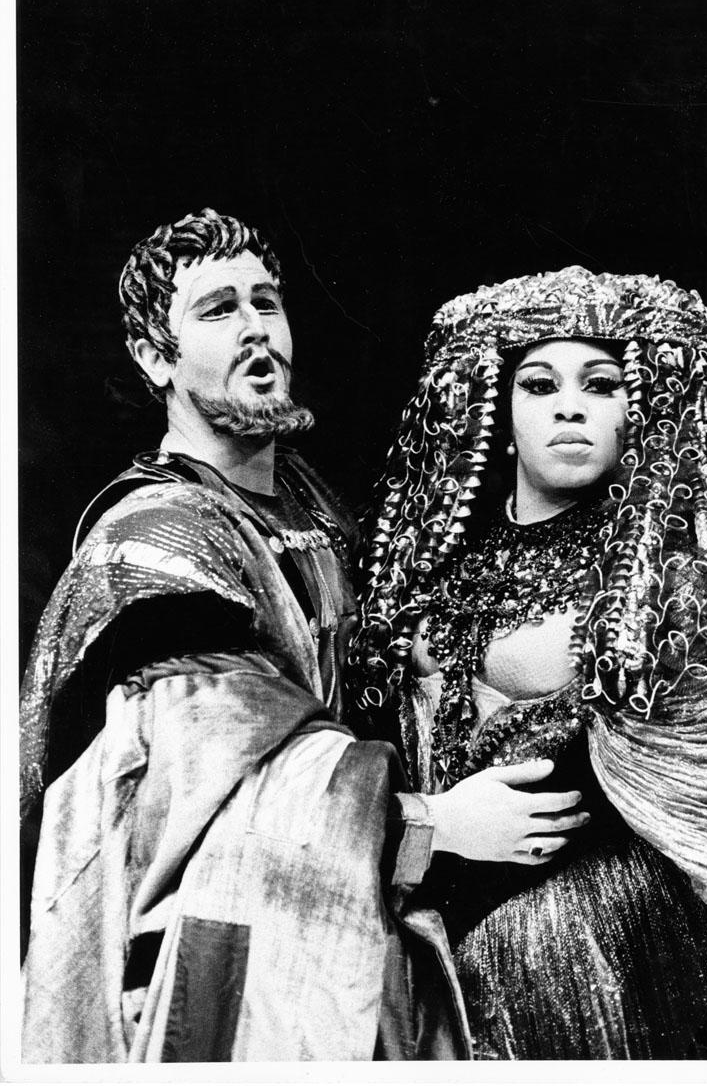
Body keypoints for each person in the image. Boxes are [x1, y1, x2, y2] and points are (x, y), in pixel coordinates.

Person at [18, 209, 587, 1063]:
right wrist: (436, 824)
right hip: (238, 952)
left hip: (363, 913)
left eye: (267, 302)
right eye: (217, 310)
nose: (256, 328)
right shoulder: (157, 539)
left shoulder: (319, 510)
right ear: (152, 357)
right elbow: (214, 793)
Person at [352, 265, 707, 1061]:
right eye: (538, 383)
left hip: (635, 986)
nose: (568, 405)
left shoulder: (679, 597)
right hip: (439, 996)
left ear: (639, 411)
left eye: (602, 383)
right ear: (499, 410)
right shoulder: (426, 596)